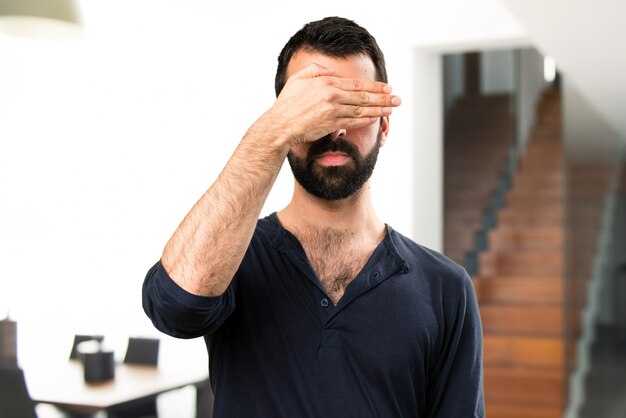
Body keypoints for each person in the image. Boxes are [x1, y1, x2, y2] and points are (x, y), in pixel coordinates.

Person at [142, 16, 484, 418]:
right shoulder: (233, 257)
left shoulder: (445, 288)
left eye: (351, 105)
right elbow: (175, 309)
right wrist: (271, 132)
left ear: (384, 124)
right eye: (313, 108)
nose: (334, 127)